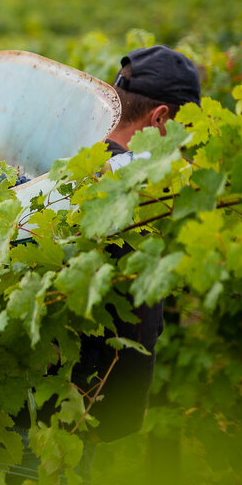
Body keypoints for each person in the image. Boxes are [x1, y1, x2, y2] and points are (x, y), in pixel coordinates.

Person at [75, 44, 201, 443]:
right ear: (160, 117)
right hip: (82, 408)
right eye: (185, 132)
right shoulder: (136, 197)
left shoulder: (67, 161)